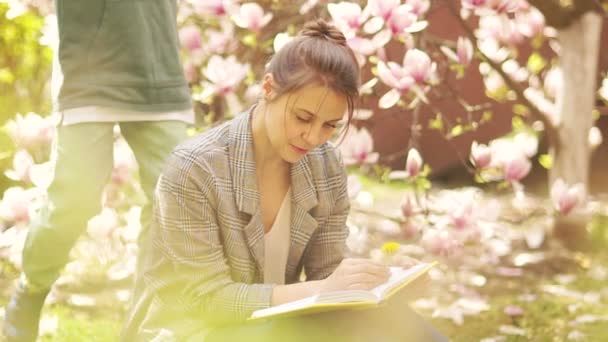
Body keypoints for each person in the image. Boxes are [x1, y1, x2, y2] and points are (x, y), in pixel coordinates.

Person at [123, 19, 447, 342]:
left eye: (329, 125)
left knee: (392, 320)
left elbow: (328, 273)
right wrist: (323, 289)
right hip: (193, 330)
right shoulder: (194, 168)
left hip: (273, 328)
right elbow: (205, 299)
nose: (313, 136)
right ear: (268, 88)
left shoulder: (324, 164)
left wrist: (386, 280)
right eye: (303, 118)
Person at [2, 1, 193, 341]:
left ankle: (141, 326)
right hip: (87, 70)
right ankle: (30, 290)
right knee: (74, 200)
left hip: (157, 65)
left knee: (175, 199)